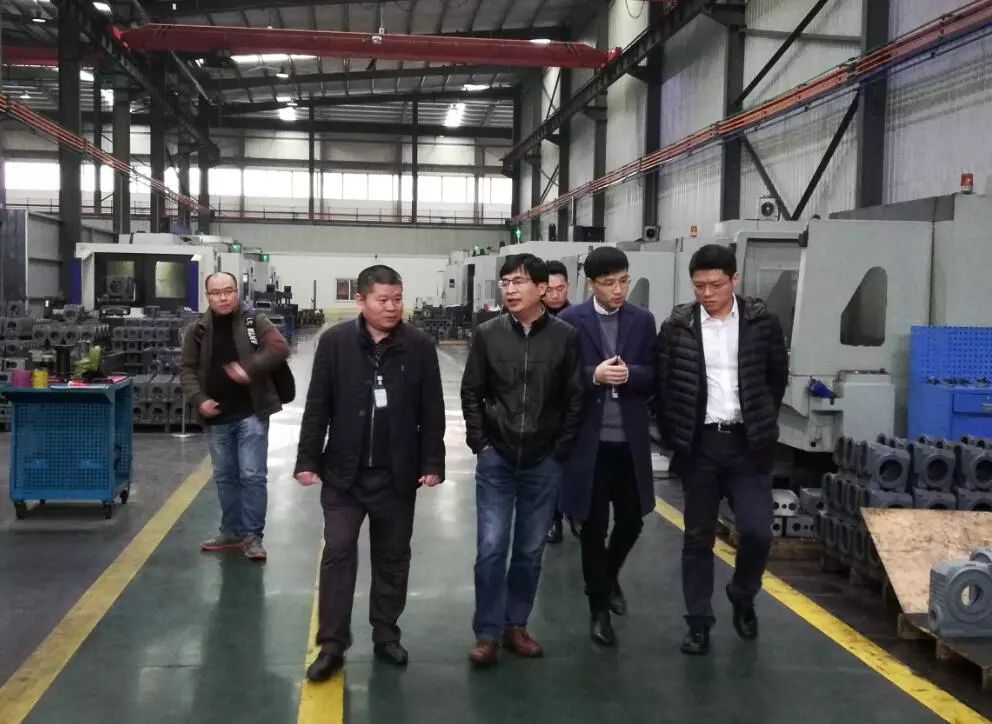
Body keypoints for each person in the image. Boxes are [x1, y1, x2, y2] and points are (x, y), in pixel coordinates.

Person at [295, 265, 446, 681]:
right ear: (360, 300)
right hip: (344, 474)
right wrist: (307, 459)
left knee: (393, 557)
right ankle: (331, 644)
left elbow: (432, 409)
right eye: (383, 300)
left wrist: (432, 463)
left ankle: (386, 633)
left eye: (397, 299)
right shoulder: (335, 343)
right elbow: (318, 404)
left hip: (397, 476)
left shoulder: (418, 346)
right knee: (338, 552)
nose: (392, 307)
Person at [655, 244, 788, 656]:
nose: (707, 293)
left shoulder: (762, 323)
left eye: (715, 284)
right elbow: (664, 385)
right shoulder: (677, 326)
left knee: (757, 531)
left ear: (734, 279)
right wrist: (675, 435)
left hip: (747, 445)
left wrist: (761, 420)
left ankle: (742, 593)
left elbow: (776, 378)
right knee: (697, 537)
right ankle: (698, 623)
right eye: (699, 286)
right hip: (700, 446)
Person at [461, 253, 584, 667]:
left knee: (530, 551)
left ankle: (516, 625)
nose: (510, 290)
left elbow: (574, 398)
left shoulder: (565, 337)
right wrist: (481, 444)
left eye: (519, 282)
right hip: (497, 458)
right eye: (506, 282)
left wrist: (558, 451)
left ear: (542, 289)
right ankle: (487, 632)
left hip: (543, 461)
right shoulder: (488, 334)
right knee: (491, 548)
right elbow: (472, 391)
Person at [557, 247, 657, 646]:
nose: (618, 290)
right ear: (591, 284)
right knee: (593, 528)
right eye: (609, 283)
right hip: (590, 445)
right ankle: (598, 608)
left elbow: (655, 374)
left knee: (632, 521)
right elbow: (560, 378)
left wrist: (631, 375)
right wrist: (592, 375)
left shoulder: (642, 320)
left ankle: (609, 575)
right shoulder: (570, 321)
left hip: (629, 443)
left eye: (624, 281)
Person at [180, 271, 290, 561]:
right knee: (225, 477)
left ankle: (253, 536)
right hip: (217, 414)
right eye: (216, 293)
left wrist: (248, 367)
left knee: (252, 475)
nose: (223, 297)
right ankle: (232, 531)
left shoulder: (254, 321)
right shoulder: (197, 330)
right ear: (207, 296)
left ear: (236, 292)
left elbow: (279, 347)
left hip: (251, 411)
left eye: (228, 291)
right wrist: (199, 399)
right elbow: (187, 369)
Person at [543, 259, 574, 545]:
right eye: (549, 289)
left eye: (560, 288)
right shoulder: (532, 320)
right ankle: (552, 519)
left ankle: (574, 513)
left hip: (573, 405)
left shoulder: (579, 319)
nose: (555, 295)